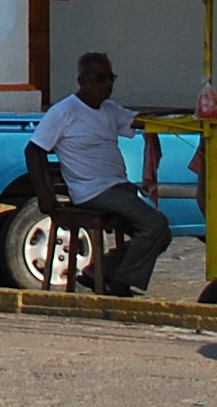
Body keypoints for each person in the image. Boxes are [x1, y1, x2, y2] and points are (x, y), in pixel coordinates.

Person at [18, 51, 170, 297]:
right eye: (100, 78)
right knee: (155, 224)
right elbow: (34, 150)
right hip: (92, 190)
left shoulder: (110, 110)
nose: (107, 84)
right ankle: (121, 283)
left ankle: (99, 271)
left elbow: (139, 121)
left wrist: (181, 117)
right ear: (83, 81)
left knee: (161, 234)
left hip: (118, 186)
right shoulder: (64, 111)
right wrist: (45, 195)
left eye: (111, 78)